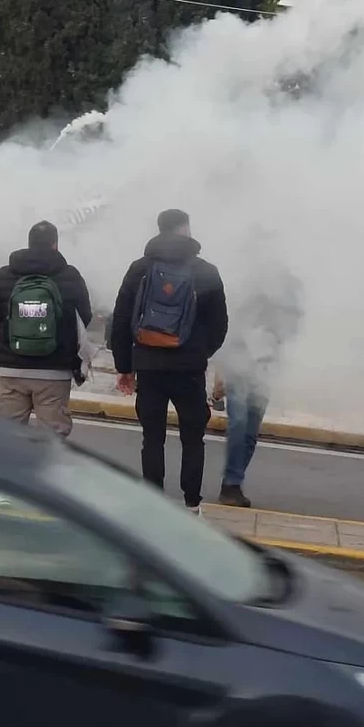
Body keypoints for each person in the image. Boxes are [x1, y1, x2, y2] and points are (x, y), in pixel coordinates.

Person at [111, 209, 228, 512]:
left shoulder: (139, 268)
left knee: (152, 438)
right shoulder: (206, 271)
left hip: (149, 366)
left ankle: (152, 504)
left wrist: (125, 367)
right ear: (185, 229)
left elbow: (122, 319)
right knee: (192, 439)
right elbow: (220, 325)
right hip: (188, 369)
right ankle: (191, 505)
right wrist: (200, 352)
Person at [0, 220, 92, 437]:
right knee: (52, 442)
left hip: (12, 367)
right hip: (54, 371)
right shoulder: (70, 275)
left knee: (7, 437)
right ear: (55, 245)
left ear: (29, 243)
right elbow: (85, 318)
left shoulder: (6, 274)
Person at [216, 242, 303, 508]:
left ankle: (235, 480)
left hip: (266, 362)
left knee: (251, 428)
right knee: (238, 421)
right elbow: (226, 327)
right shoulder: (242, 285)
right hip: (239, 361)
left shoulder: (286, 286)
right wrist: (219, 371)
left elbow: (295, 322)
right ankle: (231, 483)